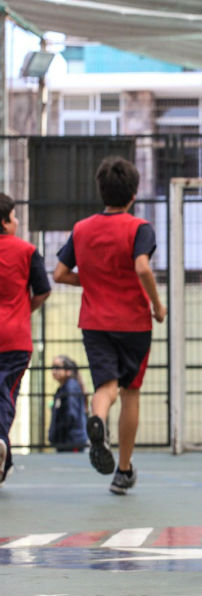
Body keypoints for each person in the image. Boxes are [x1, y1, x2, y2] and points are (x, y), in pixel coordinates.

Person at [54, 156, 166, 496]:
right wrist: (157, 306)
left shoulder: (82, 229)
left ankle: (97, 421)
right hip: (133, 322)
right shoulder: (139, 228)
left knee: (106, 387)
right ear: (133, 194)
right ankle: (124, 470)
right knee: (131, 392)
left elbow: (59, 274)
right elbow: (143, 268)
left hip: (94, 322)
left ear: (101, 190)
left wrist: (89, 281)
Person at [0, 193, 51, 486]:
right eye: (15, 216)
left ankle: (4, 457)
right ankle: (1, 445)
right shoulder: (28, 251)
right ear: (5, 222)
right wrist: (23, 310)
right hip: (15, 339)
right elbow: (42, 290)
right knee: (7, 393)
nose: (17, 221)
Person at [48, 355, 89, 452]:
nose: (54, 371)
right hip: (66, 441)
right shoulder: (63, 388)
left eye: (57, 367)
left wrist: (59, 432)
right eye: (53, 367)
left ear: (68, 371)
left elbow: (71, 414)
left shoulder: (71, 386)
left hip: (71, 441)